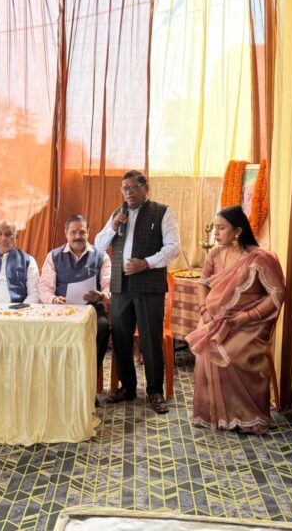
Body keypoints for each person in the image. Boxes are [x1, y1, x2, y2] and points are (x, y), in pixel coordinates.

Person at [184, 206, 285, 433]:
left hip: (248, 325)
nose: (216, 233)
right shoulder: (214, 255)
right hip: (214, 321)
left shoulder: (260, 258)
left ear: (238, 231)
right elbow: (203, 284)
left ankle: (247, 418)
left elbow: (277, 294)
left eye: (221, 228)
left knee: (231, 355)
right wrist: (204, 311)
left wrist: (245, 317)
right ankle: (216, 416)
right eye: (216, 228)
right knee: (206, 352)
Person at [94, 170, 180, 414]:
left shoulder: (163, 212)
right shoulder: (117, 214)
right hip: (120, 287)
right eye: (125, 188)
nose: (129, 192)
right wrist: (113, 226)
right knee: (121, 339)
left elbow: (174, 248)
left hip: (149, 287)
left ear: (145, 188)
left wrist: (146, 263)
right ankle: (128, 388)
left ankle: (155, 391)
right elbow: (98, 245)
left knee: (150, 339)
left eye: (134, 187)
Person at [39, 214, 112, 375]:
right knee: (46, 328)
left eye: (82, 232)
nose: (78, 236)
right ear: (66, 233)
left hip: (92, 311)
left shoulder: (101, 256)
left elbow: (109, 288)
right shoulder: (53, 256)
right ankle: (58, 378)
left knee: (102, 327)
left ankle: (88, 379)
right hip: (61, 311)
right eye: (73, 232)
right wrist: (53, 299)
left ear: (88, 232)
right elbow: (44, 288)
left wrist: (101, 296)